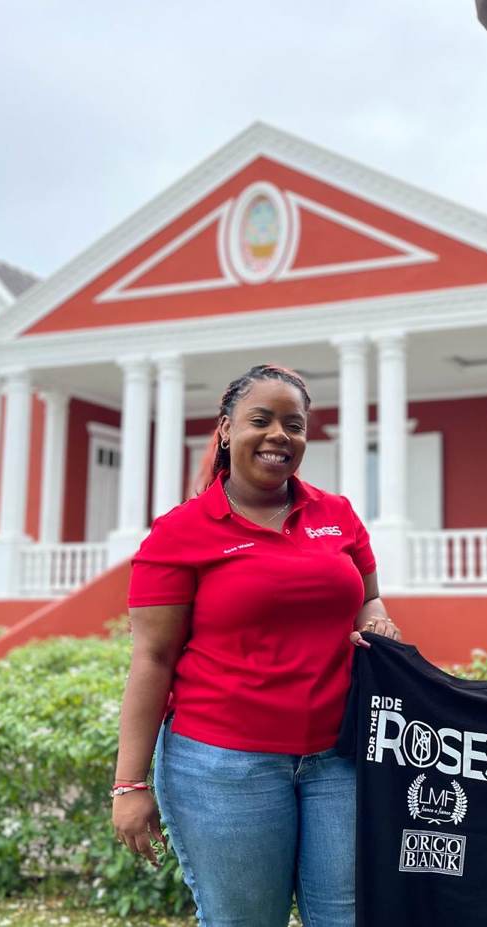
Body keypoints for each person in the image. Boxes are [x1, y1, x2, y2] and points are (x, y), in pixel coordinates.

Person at [110, 364, 401, 927]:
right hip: (223, 767)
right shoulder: (180, 533)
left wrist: (378, 621)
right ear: (225, 429)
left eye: (294, 424)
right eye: (260, 420)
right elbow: (152, 658)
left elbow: (369, 598)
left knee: (349, 918)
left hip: (340, 758)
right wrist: (129, 784)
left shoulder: (336, 514)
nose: (278, 436)